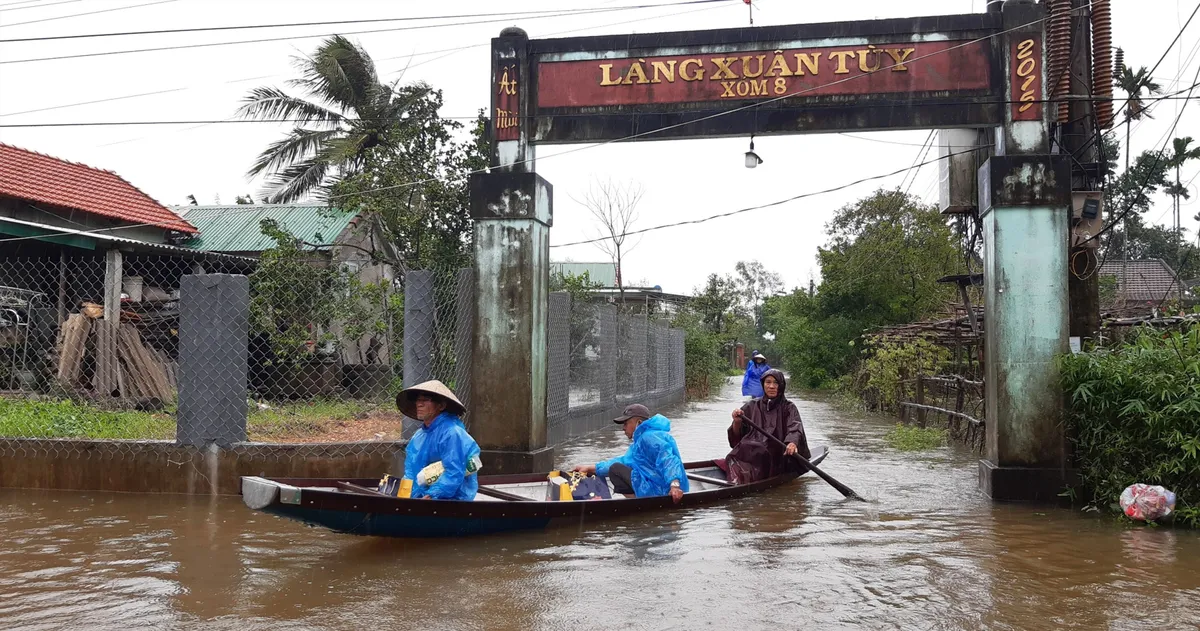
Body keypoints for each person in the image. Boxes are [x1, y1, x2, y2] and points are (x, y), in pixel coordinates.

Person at [572, 404, 689, 504]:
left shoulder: (648, 437)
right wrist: (591, 468)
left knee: (615, 470)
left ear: (639, 422)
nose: (623, 428)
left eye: (626, 423)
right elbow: (624, 461)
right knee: (617, 467)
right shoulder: (641, 441)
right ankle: (640, 502)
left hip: (666, 490)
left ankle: (642, 504)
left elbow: (668, 459)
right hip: (659, 486)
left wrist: (674, 486)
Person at [396, 380, 481, 500]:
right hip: (422, 500)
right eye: (418, 400)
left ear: (441, 406)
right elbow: (411, 471)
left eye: (425, 400)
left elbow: (454, 472)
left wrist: (432, 495)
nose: (419, 404)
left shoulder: (451, 433)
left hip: (451, 502)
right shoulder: (419, 436)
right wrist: (404, 494)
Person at [726, 369, 810, 485]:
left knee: (761, 450)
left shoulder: (789, 407)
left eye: (776, 383)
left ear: (781, 386)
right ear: (763, 385)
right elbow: (735, 440)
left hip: (778, 453)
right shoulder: (751, 405)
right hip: (754, 452)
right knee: (735, 453)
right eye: (768, 382)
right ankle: (735, 481)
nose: (771, 386)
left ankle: (746, 478)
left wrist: (792, 443)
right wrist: (737, 422)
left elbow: (795, 427)